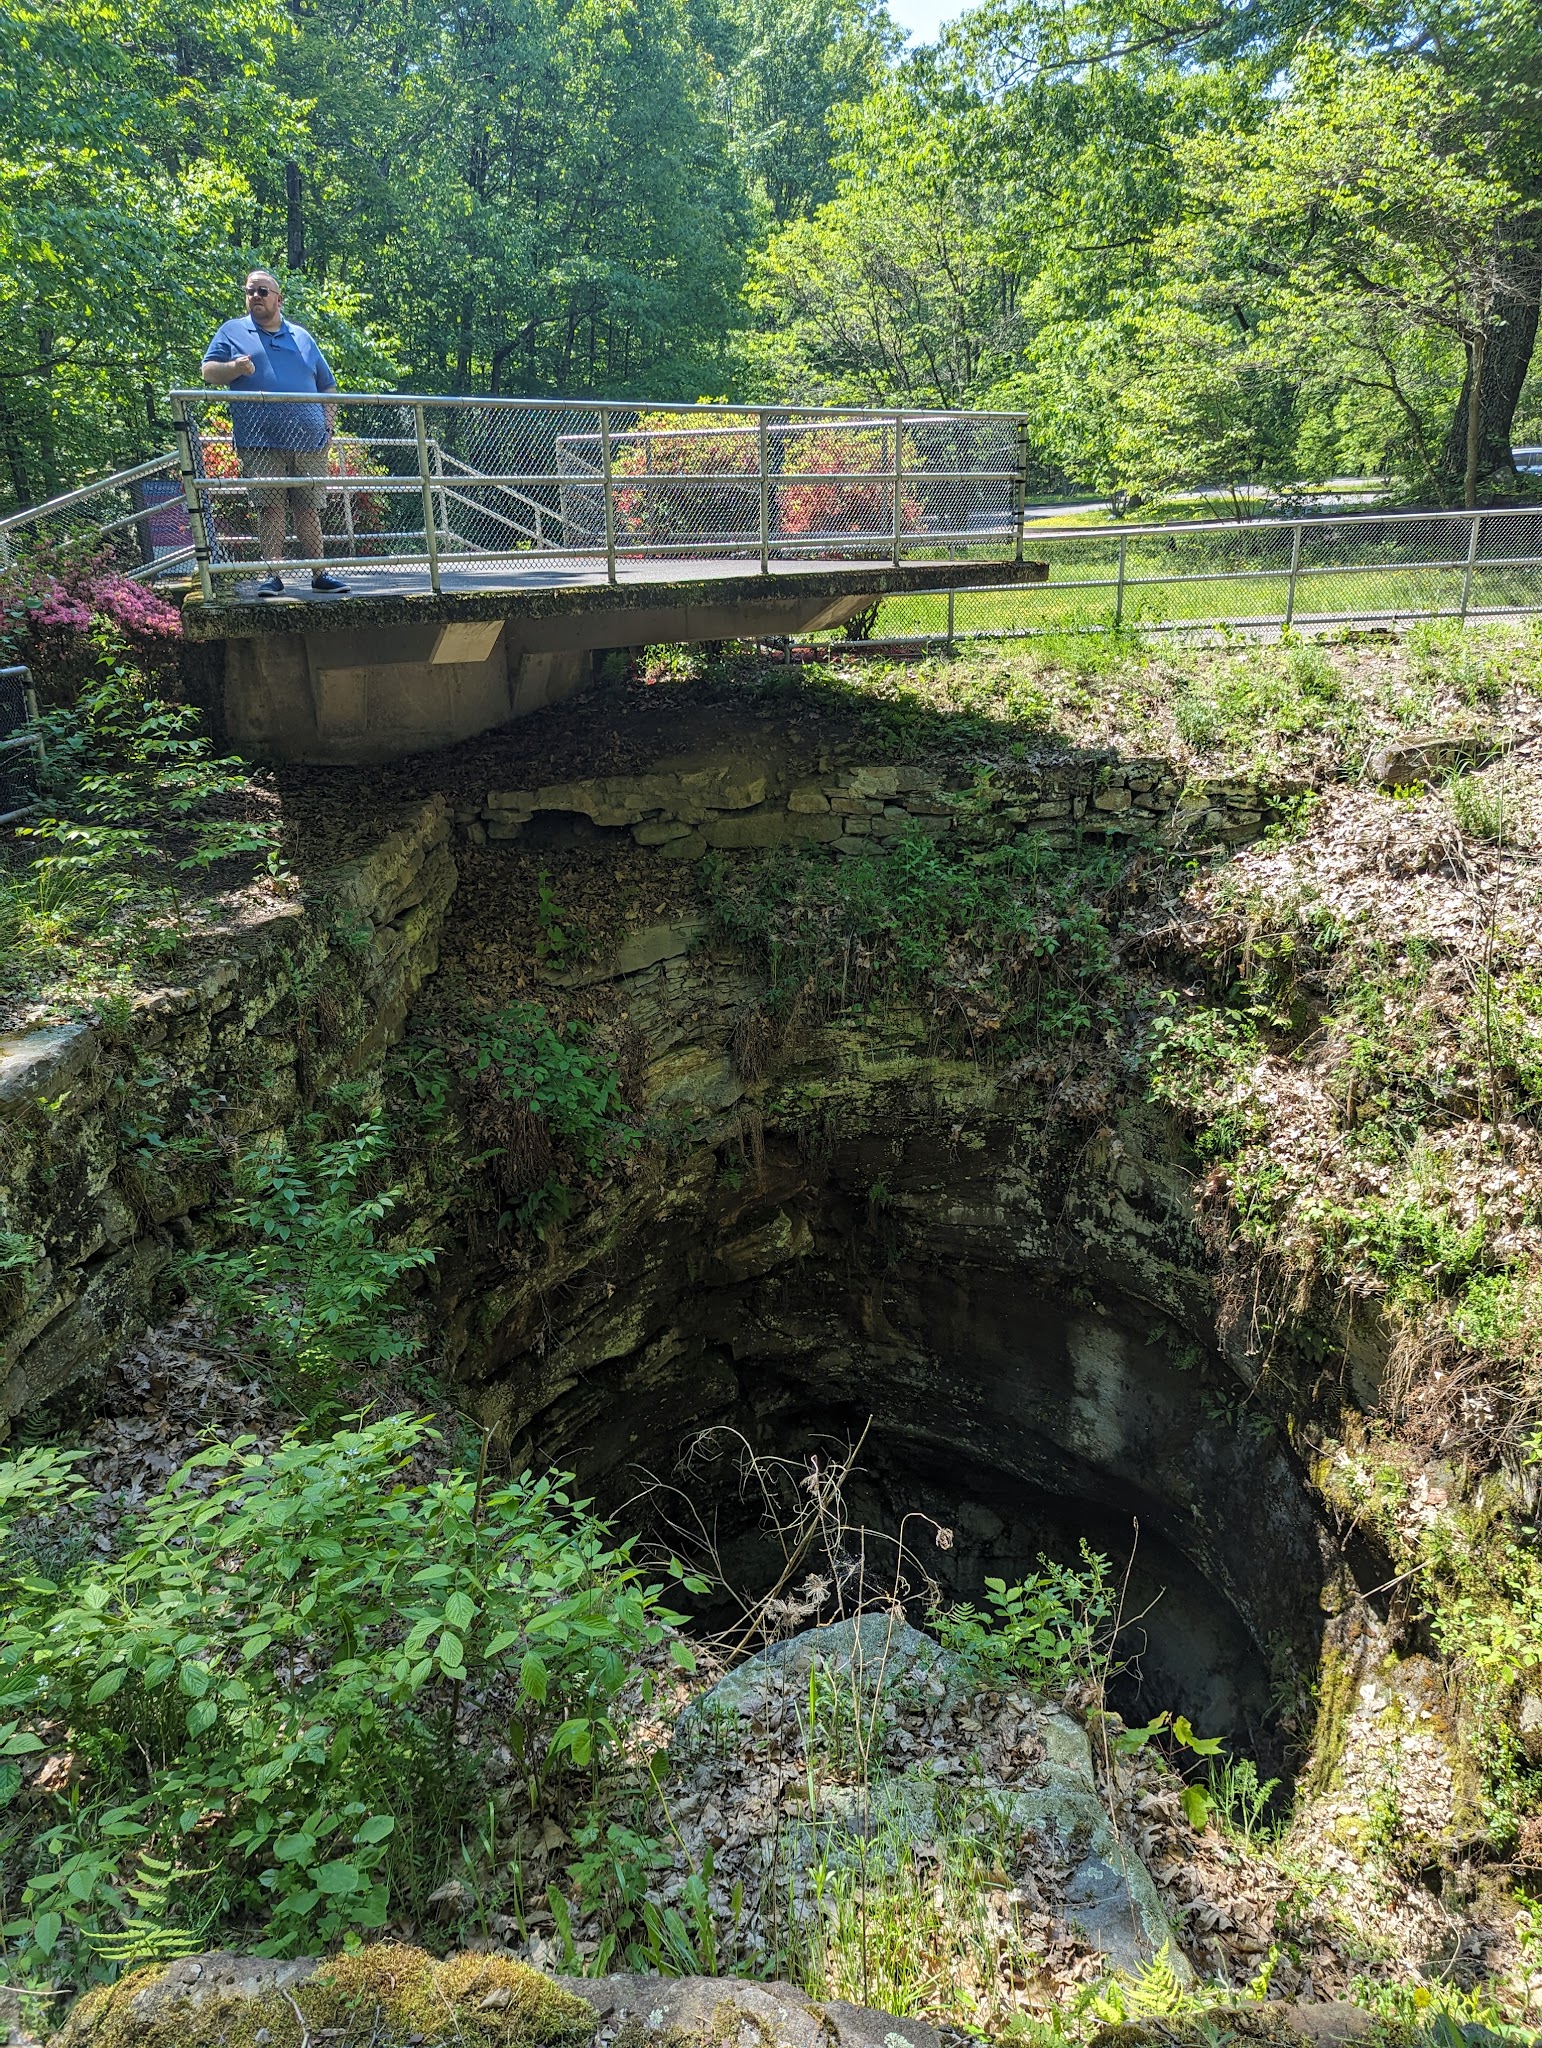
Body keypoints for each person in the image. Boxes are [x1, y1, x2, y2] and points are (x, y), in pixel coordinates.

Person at [202, 270, 350, 597]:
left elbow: (328, 385)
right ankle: (273, 575)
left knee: (308, 508)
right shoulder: (232, 331)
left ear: (278, 299)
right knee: (270, 508)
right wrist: (235, 368)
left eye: (263, 291)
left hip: (309, 442)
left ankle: (320, 574)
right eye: (250, 291)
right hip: (260, 441)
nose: (256, 295)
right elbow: (208, 371)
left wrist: (328, 425)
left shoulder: (302, 337)